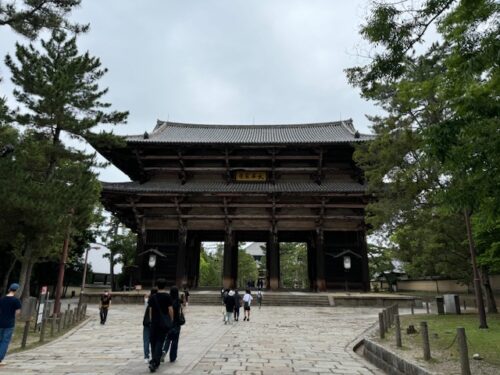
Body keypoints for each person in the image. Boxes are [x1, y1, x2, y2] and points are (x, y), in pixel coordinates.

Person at [147, 279, 173, 372]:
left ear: (157, 286)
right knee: (160, 341)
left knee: (153, 342)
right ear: (165, 286)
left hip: (154, 322)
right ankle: (155, 362)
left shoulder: (152, 297)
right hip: (163, 323)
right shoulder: (167, 296)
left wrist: (151, 320)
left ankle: (155, 361)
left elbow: (150, 310)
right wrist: (171, 320)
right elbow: (170, 309)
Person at [0, 283, 22, 366]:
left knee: (0, 340)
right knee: (5, 341)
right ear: (16, 291)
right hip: (9, 323)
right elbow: (17, 312)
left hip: (1, 322)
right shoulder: (16, 300)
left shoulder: (2, 299)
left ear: (9, 289)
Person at [161, 286, 183, 363]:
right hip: (176, 323)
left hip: (169, 322)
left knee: (168, 338)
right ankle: (173, 357)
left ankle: (164, 351)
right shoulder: (178, 301)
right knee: (175, 340)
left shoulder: (168, 300)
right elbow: (180, 311)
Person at [143, 288, 157, 364]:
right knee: (154, 340)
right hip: (155, 323)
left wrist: (149, 294)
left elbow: (145, 296)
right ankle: (154, 355)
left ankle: (146, 356)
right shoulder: (158, 301)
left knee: (146, 340)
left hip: (147, 322)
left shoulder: (147, 301)